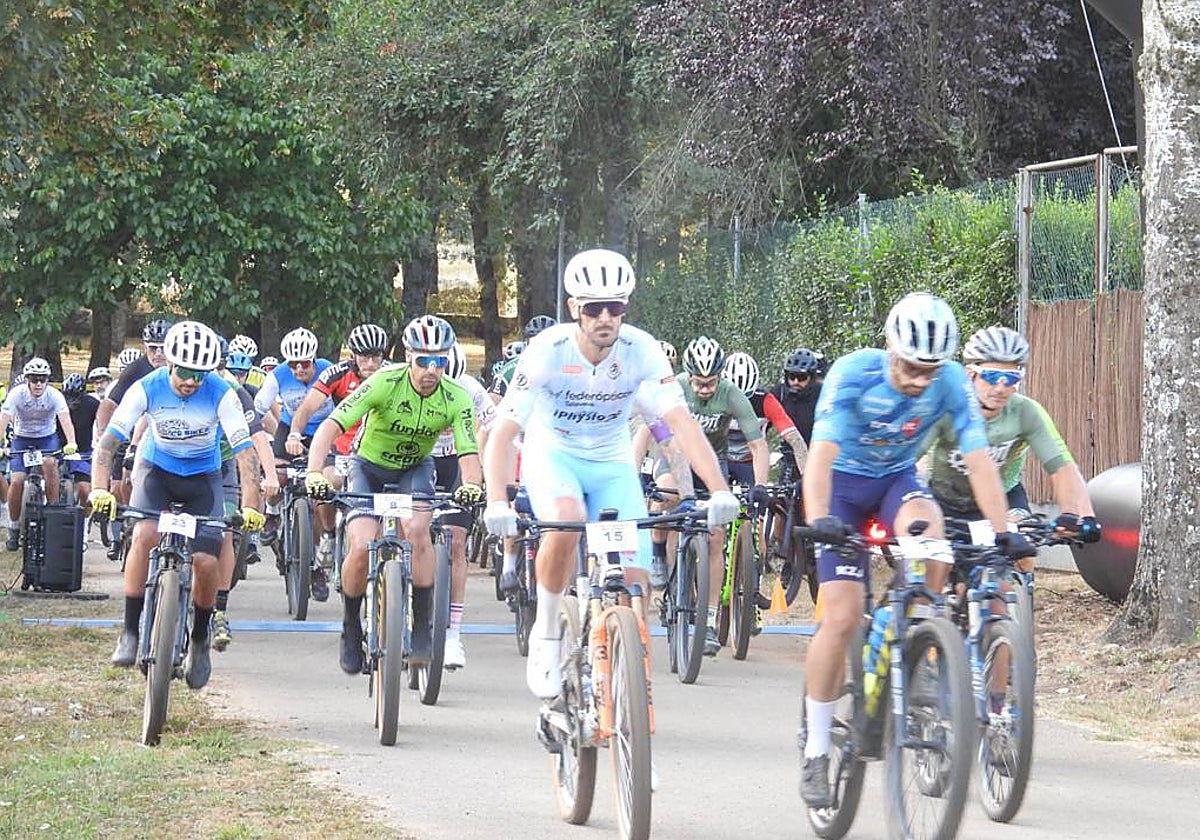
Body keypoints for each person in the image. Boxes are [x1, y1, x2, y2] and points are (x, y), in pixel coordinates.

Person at [798, 292, 1036, 808]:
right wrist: (820, 520)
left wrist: (1001, 530)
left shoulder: (951, 382)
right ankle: (816, 746)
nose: (920, 379)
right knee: (842, 616)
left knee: (937, 548)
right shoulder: (853, 374)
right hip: (841, 488)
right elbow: (820, 458)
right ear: (889, 347)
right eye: (911, 366)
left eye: (932, 368)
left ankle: (920, 635)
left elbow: (978, 459)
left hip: (895, 483)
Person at [482, 248, 740, 699]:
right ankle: (546, 633)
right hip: (554, 454)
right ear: (573, 311)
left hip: (610, 462)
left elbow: (681, 424)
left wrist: (719, 491)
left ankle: (629, 708)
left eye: (615, 307)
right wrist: (496, 502)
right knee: (566, 518)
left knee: (636, 582)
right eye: (593, 308)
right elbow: (503, 433)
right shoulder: (548, 350)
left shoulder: (642, 350)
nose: (605, 318)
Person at [88, 321, 265, 689]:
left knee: (205, 560)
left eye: (200, 375)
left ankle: (199, 640)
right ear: (169, 364)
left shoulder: (220, 392)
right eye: (184, 372)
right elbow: (108, 443)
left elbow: (246, 452)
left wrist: (251, 505)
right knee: (144, 535)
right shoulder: (146, 388)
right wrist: (99, 489)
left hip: (204, 479)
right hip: (159, 472)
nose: (191, 382)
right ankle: (130, 630)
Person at [303, 315, 484, 675]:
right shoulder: (385, 381)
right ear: (407, 355)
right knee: (361, 543)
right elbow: (331, 425)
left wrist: (471, 486)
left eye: (440, 361)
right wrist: (312, 472)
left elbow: (468, 450)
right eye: (423, 360)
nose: (431, 369)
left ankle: (420, 626)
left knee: (418, 530)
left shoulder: (457, 397)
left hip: (414, 469)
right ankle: (351, 626)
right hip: (368, 467)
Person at [922, 325, 1101, 537]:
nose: (1000, 388)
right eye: (990, 376)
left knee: (1024, 550)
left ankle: (1021, 573)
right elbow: (913, 459)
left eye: (1011, 378)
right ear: (970, 374)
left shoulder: (1025, 412)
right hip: (943, 499)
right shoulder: (946, 408)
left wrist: (1078, 515)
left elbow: (1062, 467)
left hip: (1004, 496)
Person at [677, 337, 771, 656]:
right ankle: (669, 573)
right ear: (689, 376)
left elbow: (758, 445)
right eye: (699, 383)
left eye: (711, 383)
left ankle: (708, 620)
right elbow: (647, 430)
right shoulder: (675, 388)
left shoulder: (731, 393)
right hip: (677, 457)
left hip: (713, 461)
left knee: (716, 536)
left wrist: (760, 485)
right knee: (662, 504)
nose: (704, 389)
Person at [286, 323, 388, 593]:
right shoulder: (337, 374)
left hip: (375, 451)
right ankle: (329, 535)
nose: (370, 362)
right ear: (352, 355)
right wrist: (295, 434)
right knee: (328, 482)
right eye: (364, 356)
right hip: (342, 447)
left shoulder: (392, 374)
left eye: (375, 356)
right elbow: (307, 407)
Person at [254, 327, 336, 596]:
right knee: (276, 474)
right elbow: (258, 407)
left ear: (314, 359)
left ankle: (317, 568)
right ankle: (273, 513)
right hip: (290, 431)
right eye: (293, 364)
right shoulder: (277, 375)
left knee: (319, 494)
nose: (299, 369)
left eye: (305, 364)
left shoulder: (328, 370)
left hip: (324, 431)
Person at [431, 342, 496, 669]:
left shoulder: (472, 388)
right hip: (421, 460)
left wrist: (487, 476)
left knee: (457, 542)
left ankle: (453, 635)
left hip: (458, 462)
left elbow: (495, 429)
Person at [0, 358, 79, 549]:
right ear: (27, 379)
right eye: (34, 379)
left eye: (42, 379)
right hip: (22, 438)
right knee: (17, 481)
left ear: (47, 380)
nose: (38, 384)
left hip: (46, 438)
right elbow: (4, 419)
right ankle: (14, 526)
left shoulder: (54, 395)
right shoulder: (17, 394)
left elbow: (65, 420)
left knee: (51, 465)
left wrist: (72, 442)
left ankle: (51, 513)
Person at [59, 374, 99, 506]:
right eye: (68, 398)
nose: (71, 403)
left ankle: (85, 522)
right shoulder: (57, 402)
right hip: (58, 448)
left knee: (85, 490)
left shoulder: (93, 404)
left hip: (83, 451)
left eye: (75, 398)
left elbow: (103, 425)